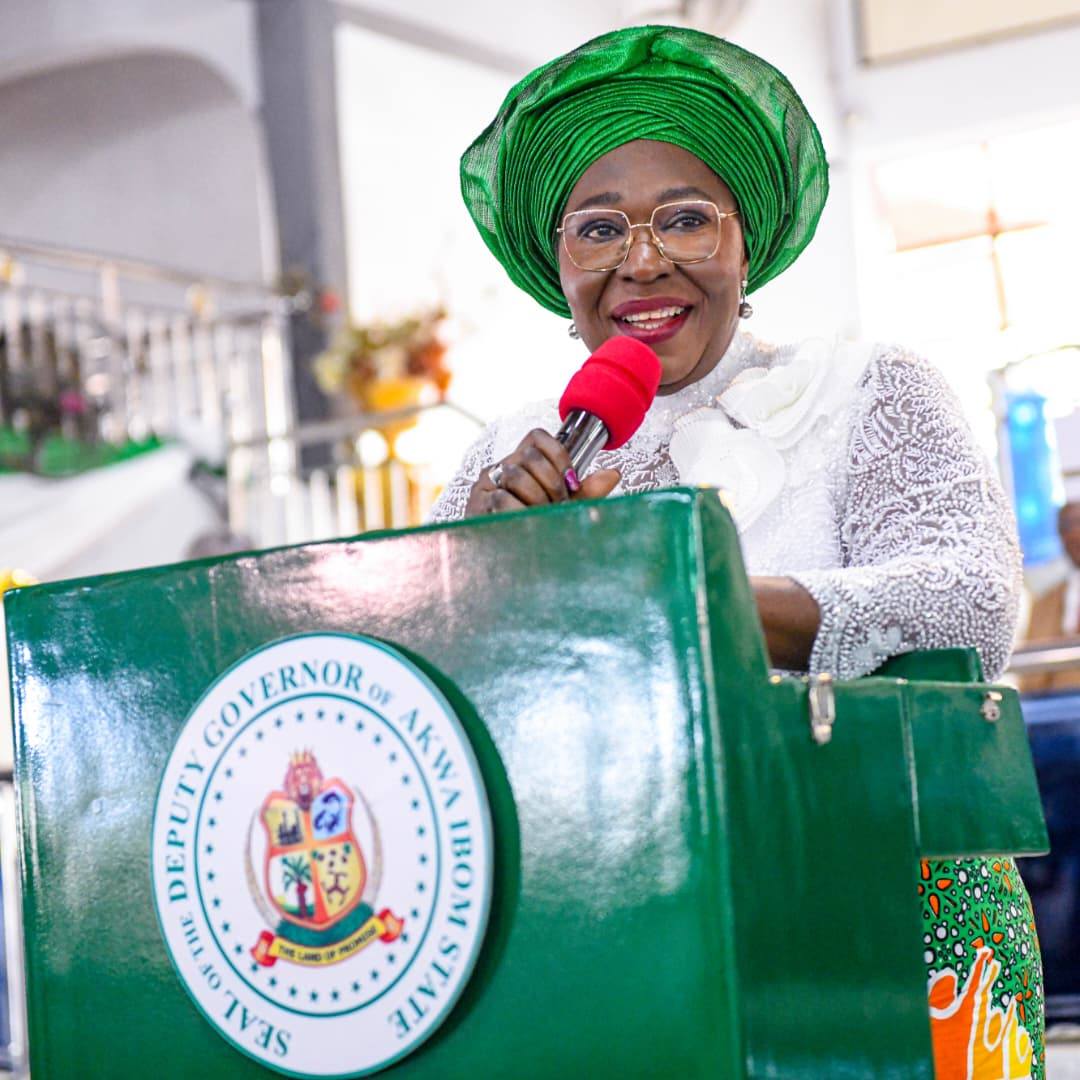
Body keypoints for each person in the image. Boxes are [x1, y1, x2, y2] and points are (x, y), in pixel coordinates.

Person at [431, 25, 1042, 1076]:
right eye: (598, 229)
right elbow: (426, 690)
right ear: (557, 265)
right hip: (611, 930)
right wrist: (483, 568)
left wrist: (680, 583)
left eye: (683, 220)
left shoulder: (868, 389)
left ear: (745, 242)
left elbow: (971, 600)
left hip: (881, 910)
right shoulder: (508, 454)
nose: (643, 259)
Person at [1021, 501, 1080, 692]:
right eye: (1066, 527)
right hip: (1049, 710)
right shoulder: (1044, 603)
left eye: (1079, 522)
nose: (1074, 533)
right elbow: (1029, 672)